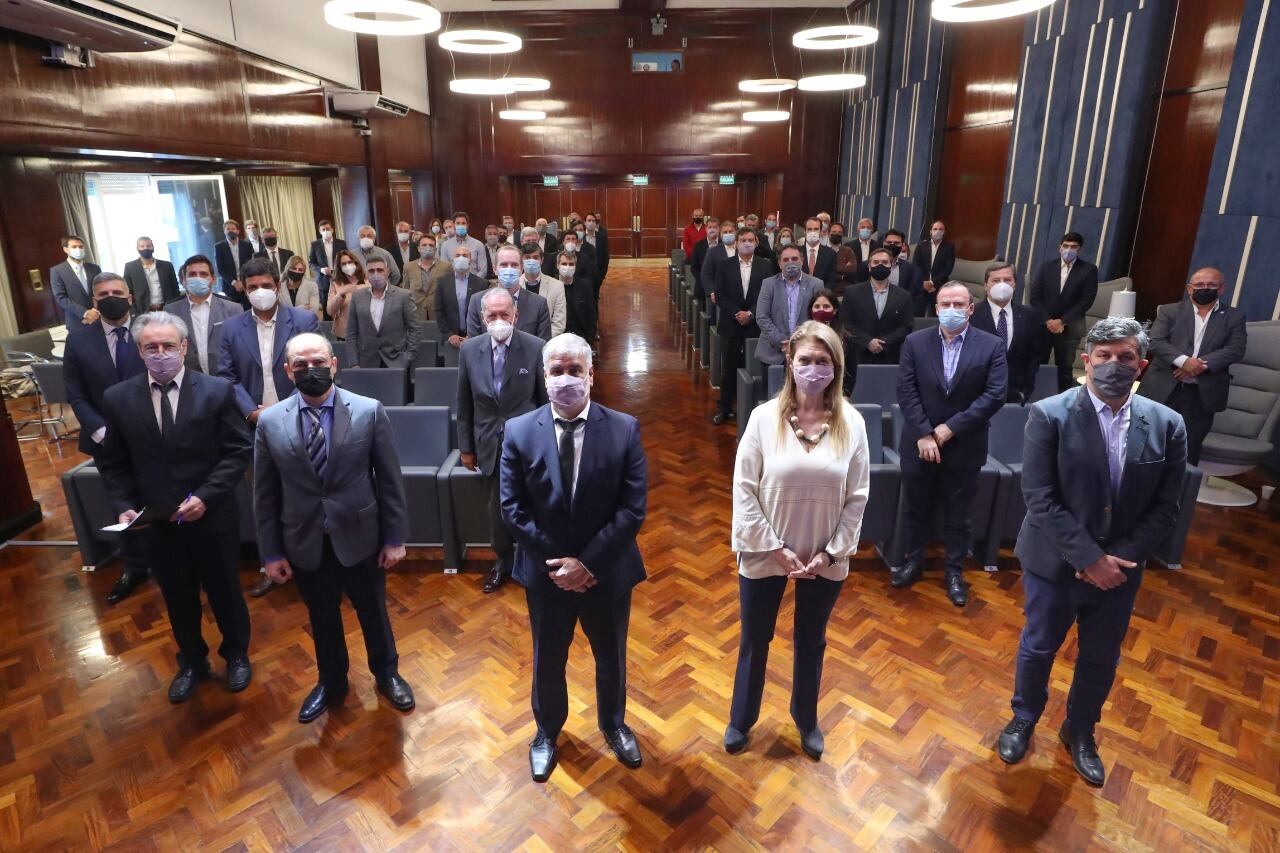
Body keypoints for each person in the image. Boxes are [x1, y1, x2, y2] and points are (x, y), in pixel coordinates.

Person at [997, 317, 1187, 786]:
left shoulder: (1168, 424)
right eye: (1103, 356)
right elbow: (1040, 497)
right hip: (1054, 562)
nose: (1113, 365)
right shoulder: (1049, 415)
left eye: (1125, 357)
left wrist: (1119, 558)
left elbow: (1168, 506)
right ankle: (1024, 717)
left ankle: (1080, 730)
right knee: (1039, 647)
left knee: (1101, 657)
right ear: (1086, 360)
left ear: (1141, 365)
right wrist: (1088, 559)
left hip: (1121, 570)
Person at [500, 333, 649, 782]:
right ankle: (546, 732)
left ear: (591, 375)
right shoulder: (519, 431)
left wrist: (589, 565)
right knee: (548, 657)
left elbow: (632, 507)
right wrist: (561, 566)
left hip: (606, 573)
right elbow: (513, 509)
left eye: (575, 371)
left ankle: (613, 723)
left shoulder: (623, 428)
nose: (567, 379)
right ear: (544, 377)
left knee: (611, 656)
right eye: (557, 371)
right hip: (547, 575)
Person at [254, 333, 415, 723]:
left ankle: (387, 673)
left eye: (319, 363)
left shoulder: (368, 410)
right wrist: (271, 553)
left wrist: (395, 538)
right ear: (288, 371)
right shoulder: (270, 422)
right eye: (302, 365)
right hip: (304, 539)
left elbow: (390, 479)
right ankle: (332, 682)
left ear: (334, 364)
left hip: (362, 536)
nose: (313, 371)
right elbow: (265, 494)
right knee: (322, 616)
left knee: (373, 612)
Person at [728, 321, 870, 760]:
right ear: (790, 364)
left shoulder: (853, 423)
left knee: (812, 640)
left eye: (822, 362)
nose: (813, 369)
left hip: (822, 557)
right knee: (756, 637)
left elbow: (858, 496)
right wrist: (774, 546)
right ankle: (741, 718)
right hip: (767, 550)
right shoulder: (761, 419)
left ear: (836, 368)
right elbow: (744, 489)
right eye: (805, 361)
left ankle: (806, 719)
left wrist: (830, 552)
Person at [97, 310, 254, 703]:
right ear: (139, 351)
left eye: (169, 345)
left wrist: (206, 496)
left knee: (225, 593)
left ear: (184, 347)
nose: (161, 353)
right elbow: (114, 463)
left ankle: (236, 654)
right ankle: (192, 662)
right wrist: (124, 506)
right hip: (158, 522)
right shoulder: (118, 399)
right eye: (152, 347)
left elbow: (238, 452)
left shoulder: (217, 391)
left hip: (212, 516)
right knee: (178, 598)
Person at [892, 283, 1008, 607]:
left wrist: (948, 429)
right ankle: (912, 561)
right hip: (919, 444)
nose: (952, 308)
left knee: (960, 515)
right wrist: (925, 433)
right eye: (946, 303)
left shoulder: (991, 346)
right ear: (937, 307)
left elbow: (995, 395)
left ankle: (954, 572)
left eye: (959, 303)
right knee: (916, 508)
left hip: (964, 446)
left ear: (971, 308)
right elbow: (906, 391)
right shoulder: (915, 342)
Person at [64, 272, 150, 603]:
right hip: (103, 439)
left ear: (130, 298)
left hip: (151, 434)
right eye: (104, 293)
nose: (111, 296)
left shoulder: (150, 331)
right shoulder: (79, 339)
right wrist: (101, 431)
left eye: (117, 291)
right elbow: (76, 394)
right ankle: (134, 566)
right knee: (121, 501)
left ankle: (170, 558)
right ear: (94, 302)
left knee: (159, 493)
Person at [458, 288, 548, 593]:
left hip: (529, 443)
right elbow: (464, 403)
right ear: (483, 318)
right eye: (492, 315)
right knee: (497, 509)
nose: (499, 320)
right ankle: (503, 562)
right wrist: (466, 447)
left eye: (504, 314)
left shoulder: (535, 347)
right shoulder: (469, 350)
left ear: (515, 316)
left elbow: (545, 402)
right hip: (488, 443)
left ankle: (533, 561)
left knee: (532, 504)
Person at [1137, 268, 1247, 465]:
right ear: (1189, 289)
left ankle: (1180, 493)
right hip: (1163, 387)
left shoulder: (1234, 316)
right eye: (1199, 285)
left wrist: (1199, 365)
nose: (1205, 288)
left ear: (1221, 289)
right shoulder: (1170, 311)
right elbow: (1155, 341)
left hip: (1201, 392)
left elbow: (1235, 349)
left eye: (1211, 285)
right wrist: (1184, 362)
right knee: (1148, 441)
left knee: (1189, 447)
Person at [217, 258, 321, 423]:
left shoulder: (304, 321)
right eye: (253, 287)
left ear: (278, 286)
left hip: (300, 417)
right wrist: (250, 412)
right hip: (252, 424)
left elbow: (315, 369)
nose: (260, 292)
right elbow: (227, 376)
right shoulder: (230, 328)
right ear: (245, 290)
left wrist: (285, 410)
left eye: (266, 286)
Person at [712, 228, 772, 425]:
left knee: (754, 368)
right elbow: (720, 295)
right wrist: (737, 313)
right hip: (731, 323)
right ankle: (725, 407)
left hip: (755, 325)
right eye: (743, 240)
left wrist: (751, 314)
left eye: (750, 240)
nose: (747, 243)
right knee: (729, 367)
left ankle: (753, 410)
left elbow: (767, 295)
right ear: (736, 243)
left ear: (756, 243)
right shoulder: (724, 265)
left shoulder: (765, 265)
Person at [1030, 231, 1099, 392]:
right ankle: (1036, 397)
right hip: (1043, 326)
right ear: (1059, 247)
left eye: (1073, 247)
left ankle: (1063, 401)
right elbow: (1035, 297)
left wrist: (1062, 321)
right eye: (1066, 246)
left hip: (1070, 327)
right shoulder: (1046, 267)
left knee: (1065, 368)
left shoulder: (1088, 270)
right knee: (1039, 365)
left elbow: (1086, 300)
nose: (1069, 249)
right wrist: (1048, 321)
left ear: (1079, 249)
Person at [967, 262, 1045, 403]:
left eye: (1007, 280)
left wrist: (1025, 391)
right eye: (996, 280)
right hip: (976, 394)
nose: (1002, 285)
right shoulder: (970, 315)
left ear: (1014, 284)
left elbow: (1034, 357)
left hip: (1014, 394)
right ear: (985, 285)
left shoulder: (1029, 315)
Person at [164, 255, 244, 375]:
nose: (198, 278)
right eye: (192, 275)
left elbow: (241, 350)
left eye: (203, 274)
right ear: (184, 280)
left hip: (227, 380)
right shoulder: (170, 311)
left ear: (213, 279)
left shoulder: (233, 309)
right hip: (189, 381)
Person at [839, 247, 915, 364]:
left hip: (890, 356)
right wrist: (867, 342)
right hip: (858, 355)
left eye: (885, 262)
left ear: (891, 266)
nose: (880, 265)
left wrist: (884, 343)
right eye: (876, 262)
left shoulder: (904, 296)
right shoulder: (852, 292)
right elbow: (846, 322)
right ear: (869, 266)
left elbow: (907, 326)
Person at [755, 244, 823, 367]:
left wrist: (798, 343)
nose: (790, 262)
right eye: (786, 260)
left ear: (802, 261)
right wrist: (782, 342)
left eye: (795, 259)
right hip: (772, 352)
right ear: (780, 264)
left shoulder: (816, 284)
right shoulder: (768, 284)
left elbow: (818, 319)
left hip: (806, 353)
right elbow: (762, 317)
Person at [346, 256, 420, 369]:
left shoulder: (403, 296)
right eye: (371, 271)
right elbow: (351, 332)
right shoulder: (357, 297)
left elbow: (414, 328)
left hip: (396, 361)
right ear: (366, 273)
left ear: (387, 272)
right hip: (366, 362)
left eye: (380, 270)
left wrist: (409, 357)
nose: (376, 273)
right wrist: (354, 362)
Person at [467, 245, 552, 341]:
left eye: (514, 265)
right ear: (495, 269)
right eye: (504, 265)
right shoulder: (476, 301)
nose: (509, 269)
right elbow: (473, 344)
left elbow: (543, 345)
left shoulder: (539, 304)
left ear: (522, 269)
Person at [436, 245, 489, 359]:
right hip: (450, 338)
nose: (461, 258)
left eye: (465, 255)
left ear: (471, 259)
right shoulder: (442, 282)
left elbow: (484, 313)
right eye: (457, 255)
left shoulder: (482, 284)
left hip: (475, 338)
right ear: (452, 260)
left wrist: (472, 335)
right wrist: (449, 335)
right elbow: (439, 311)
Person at [807, 289, 857, 396]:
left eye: (826, 306)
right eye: (817, 307)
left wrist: (844, 397)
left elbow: (850, 374)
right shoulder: (801, 337)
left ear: (834, 310)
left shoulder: (847, 339)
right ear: (811, 310)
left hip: (835, 394)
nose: (821, 310)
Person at [517, 243, 567, 337]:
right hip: (519, 341)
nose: (531, 261)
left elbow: (559, 324)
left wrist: (540, 341)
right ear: (521, 261)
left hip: (546, 341)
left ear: (542, 260)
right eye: (527, 258)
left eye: (535, 257)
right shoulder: (514, 284)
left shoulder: (557, 286)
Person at [50, 235, 102, 325]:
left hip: (98, 318)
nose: (78, 249)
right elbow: (61, 297)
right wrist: (85, 313)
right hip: (76, 320)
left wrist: (95, 311)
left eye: (81, 247)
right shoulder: (57, 271)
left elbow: (102, 291)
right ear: (65, 249)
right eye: (74, 247)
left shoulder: (95, 268)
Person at [124, 236, 179, 313]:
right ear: (137, 248)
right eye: (142, 246)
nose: (145, 248)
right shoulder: (130, 267)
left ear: (153, 247)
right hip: (143, 311)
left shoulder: (167, 266)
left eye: (148, 246)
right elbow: (128, 291)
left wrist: (176, 307)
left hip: (167, 309)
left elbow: (175, 288)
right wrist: (134, 311)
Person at [879, 229, 927, 314]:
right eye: (889, 242)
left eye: (896, 243)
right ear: (884, 244)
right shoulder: (869, 266)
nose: (892, 245)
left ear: (902, 245)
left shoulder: (913, 270)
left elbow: (917, 300)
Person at [407, 232, 450, 323]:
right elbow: (406, 292)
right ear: (418, 248)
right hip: (416, 315)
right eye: (424, 245)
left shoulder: (446, 267)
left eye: (431, 245)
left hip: (438, 315)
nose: (428, 247)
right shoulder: (408, 267)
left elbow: (449, 293)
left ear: (435, 249)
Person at [324, 249, 367, 340]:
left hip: (368, 330)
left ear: (355, 262)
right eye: (343, 264)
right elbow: (330, 310)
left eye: (349, 262)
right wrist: (341, 294)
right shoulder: (335, 283)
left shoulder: (367, 279)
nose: (348, 266)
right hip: (346, 332)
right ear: (339, 267)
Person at [307, 220, 347, 309]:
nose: (326, 231)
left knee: (343, 306)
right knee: (326, 309)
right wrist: (321, 269)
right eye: (323, 229)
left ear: (332, 230)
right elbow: (311, 263)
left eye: (328, 229)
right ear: (320, 232)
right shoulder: (315, 245)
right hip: (323, 280)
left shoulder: (341, 243)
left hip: (340, 277)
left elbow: (346, 259)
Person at [913, 220, 956, 301]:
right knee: (918, 311)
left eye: (941, 229)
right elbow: (915, 266)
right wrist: (924, 283)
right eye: (935, 229)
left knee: (936, 312)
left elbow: (948, 269)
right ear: (930, 231)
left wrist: (932, 283)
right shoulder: (921, 247)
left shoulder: (949, 248)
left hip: (939, 287)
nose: (938, 231)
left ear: (944, 232)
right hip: (921, 285)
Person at [214, 220, 255, 307]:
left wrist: (243, 282)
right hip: (229, 287)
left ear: (238, 231)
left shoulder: (247, 245)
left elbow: (251, 265)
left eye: (233, 228)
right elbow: (220, 269)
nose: (231, 231)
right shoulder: (219, 247)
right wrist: (235, 283)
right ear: (224, 231)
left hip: (246, 285)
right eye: (228, 229)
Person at [699, 219, 737, 307]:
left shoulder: (742, 249)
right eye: (725, 232)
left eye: (730, 231)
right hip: (720, 295)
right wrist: (711, 291)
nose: (728, 234)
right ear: (720, 234)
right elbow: (705, 274)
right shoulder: (712, 251)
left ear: (736, 232)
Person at [440, 211, 489, 278]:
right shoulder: (445, 245)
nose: (461, 226)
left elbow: (483, 270)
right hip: (453, 285)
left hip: (474, 285)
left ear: (467, 225)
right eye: (458, 223)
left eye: (463, 223)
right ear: (454, 225)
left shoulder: (478, 245)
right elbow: (443, 270)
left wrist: (473, 282)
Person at [280, 255, 323, 321]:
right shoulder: (279, 287)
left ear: (304, 272)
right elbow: (279, 313)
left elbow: (313, 313)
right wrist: (302, 308)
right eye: (294, 268)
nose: (297, 271)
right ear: (288, 268)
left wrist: (288, 312)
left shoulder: (312, 286)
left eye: (300, 270)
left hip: (306, 324)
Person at [584, 211, 610, 317]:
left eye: (593, 221)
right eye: (589, 220)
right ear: (585, 223)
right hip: (583, 274)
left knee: (594, 298)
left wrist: (601, 275)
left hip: (596, 275)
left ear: (596, 223)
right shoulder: (580, 236)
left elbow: (605, 257)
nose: (591, 223)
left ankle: (594, 321)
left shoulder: (601, 237)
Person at [690, 218, 720, 301]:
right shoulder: (698, 245)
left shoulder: (724, 245)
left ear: (719, 229)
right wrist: (705, 282)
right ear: (706, 229)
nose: (712, 230)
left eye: (715, 227)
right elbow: (694, 268)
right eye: (710, 227)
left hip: (721, 287)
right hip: (702, 288)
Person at [800, 218, 836, 286]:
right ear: (804, 231)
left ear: (821, 232)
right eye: (809, 229)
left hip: (821, 293)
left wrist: (822, 295)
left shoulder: (830, 253)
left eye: (816, 229)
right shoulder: (797, 252)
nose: (812, 232)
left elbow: (832, 279)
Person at [830, 223, 860, 295]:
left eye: (839, 232)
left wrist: (832, 269)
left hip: (843, 291)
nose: (836, 234)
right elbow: (822, 270)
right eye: (834, 232)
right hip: (826, 290)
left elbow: (853, 268)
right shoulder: (823, 250)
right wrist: (841, 276)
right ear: (829, 233)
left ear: (843, 235)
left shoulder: (848, 250)